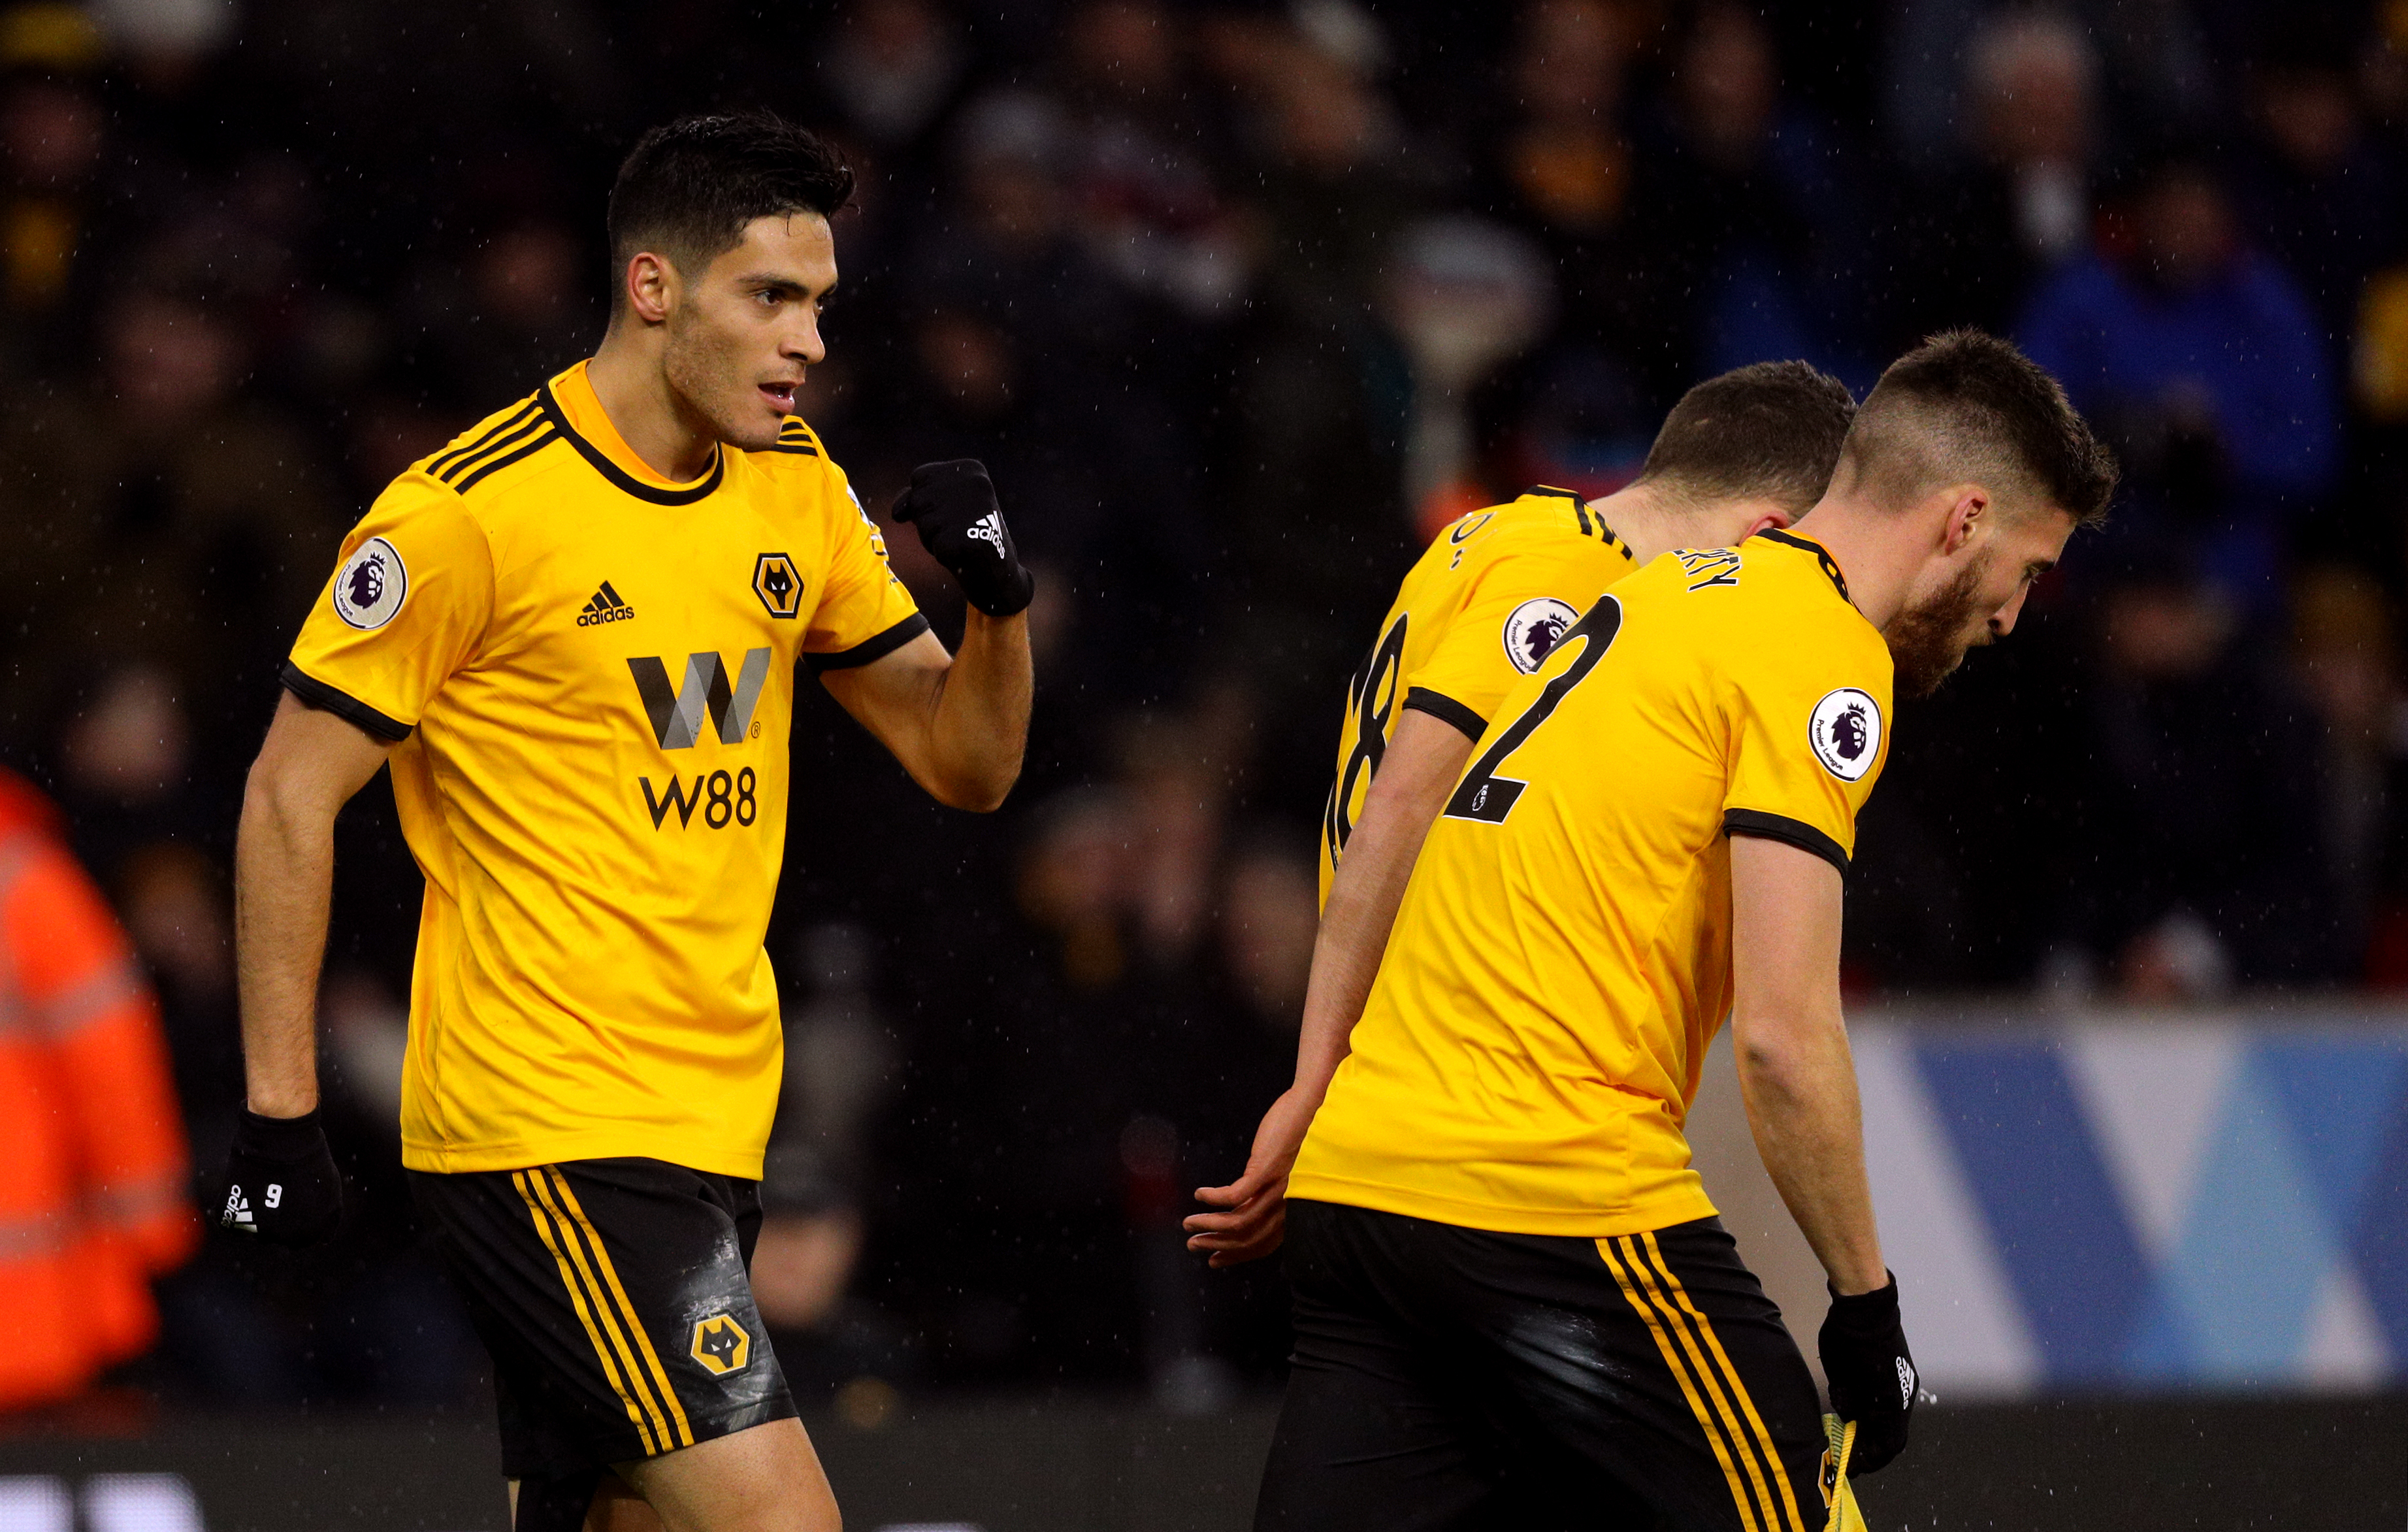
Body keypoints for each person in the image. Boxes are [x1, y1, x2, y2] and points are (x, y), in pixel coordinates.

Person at [222, 114, 1033, 1532]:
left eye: (821, 306)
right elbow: (289, 795)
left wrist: (999, 613)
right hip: (548, 1129)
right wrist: (281, 1122)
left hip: (711, 1118)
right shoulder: (468, 517)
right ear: (653, 287)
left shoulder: (794, 490)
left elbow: (964, 764)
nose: (808, 345)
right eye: (769, 299)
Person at [1247, 331, 2116, 1530]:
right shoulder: (1820, 654)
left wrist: (1314, 1077)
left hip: (1363, 1191)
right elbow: (1782, 1040)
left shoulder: (1641, 589)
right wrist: (1865, 1305)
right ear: (1961, 519)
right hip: (1546, 1193)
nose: (2016, 616)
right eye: (2028, 569)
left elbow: (1406, 812)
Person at [1188, 360, 1857, 1269]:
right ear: (1768, 531)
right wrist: (1316, 1077)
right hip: (1456, 1104)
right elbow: (1402, 807)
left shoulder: (1490, 533)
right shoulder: (1573, 577)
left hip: (1400, 1094)